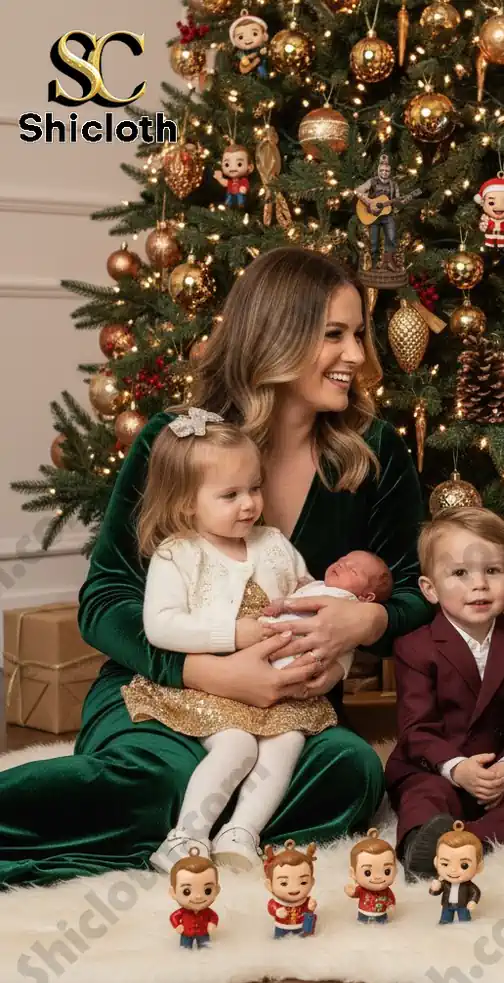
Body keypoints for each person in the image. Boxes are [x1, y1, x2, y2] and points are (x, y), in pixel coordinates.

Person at [0, 247, 433, 887]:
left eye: (359, 335)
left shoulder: (372, 453)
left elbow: (418, 593)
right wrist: (204, 670)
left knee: (350, 774)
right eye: (334, 335)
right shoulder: (177, 442)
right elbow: (105, 600)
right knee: (162, 776)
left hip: (288, 711)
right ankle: (188, 821)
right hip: (162, 691)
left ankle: (199, 833)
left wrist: (365, 623)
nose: (357, 356)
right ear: (276, 334)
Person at [122, 410, 395, 872]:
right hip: (211, 688)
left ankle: (241, 831)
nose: (249, 504)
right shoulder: (178, 553)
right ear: (187, 504)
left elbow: (319, 607)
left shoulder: (273, 545)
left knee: (286, 743)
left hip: (280, 693)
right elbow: (161, 627)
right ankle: (186, 835)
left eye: (254, 488)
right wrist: (233, 633)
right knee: (238, 747)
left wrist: (336, 666)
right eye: (230, 495)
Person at [385, 507, 504, 878]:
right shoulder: (414, 647)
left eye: (492, 571)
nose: (479, 585)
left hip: (497, 773)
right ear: (430, 589)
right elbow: (416, 729)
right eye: (460, 573)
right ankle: (420, 843)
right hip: (435, 768)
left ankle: (471, 842)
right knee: (425, 795)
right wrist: (456, 768)